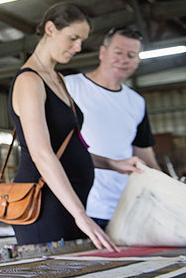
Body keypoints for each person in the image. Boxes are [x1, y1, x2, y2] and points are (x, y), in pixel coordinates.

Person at [8, 3, 142, 251]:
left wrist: (112, 164)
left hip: (69, 203)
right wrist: (81, 214)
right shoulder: (29, 80)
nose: (78, 47)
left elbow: (68, 148)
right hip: (44, 205)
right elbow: (41, 153)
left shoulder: (57, 79)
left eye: (82, 40)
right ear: (50, 29)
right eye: (73, 38)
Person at [65, 26, 160, 229]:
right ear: (102, 52)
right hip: (79, 208)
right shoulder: (69, 88)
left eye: (131, 55)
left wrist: (170, 187)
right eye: (118, 52)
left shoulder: (136, 102)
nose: (123, 59)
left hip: (124, 209)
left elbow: (145, 157)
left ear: (137, 61)